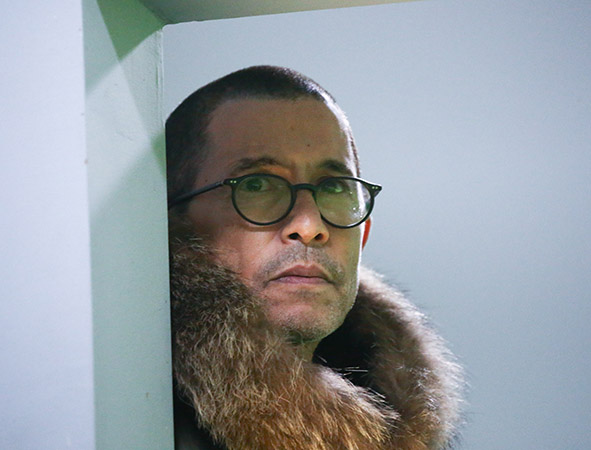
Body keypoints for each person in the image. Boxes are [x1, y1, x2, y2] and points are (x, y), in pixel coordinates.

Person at [167, 66, 463, 450]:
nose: (309, 225)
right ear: (178, 226)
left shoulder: (405, 420)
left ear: (364, 234)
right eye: (257, 184)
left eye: (335, 188)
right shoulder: (126, 406)